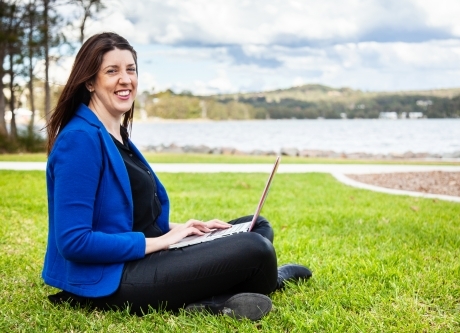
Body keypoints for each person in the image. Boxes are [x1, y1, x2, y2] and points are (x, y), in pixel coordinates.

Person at [42, 32, 312, 321]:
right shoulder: (79, 140)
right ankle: (261, 283)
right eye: (112, 71)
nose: (125, 79)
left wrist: (184, 229)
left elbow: (133, 217)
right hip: (112, 277)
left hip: (143, 256)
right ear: (90, 82)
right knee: (255, 248)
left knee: (256, 227)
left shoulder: (115, 135)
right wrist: (164, 242)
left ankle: (216, 295)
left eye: (130, 69)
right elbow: (74, 242)